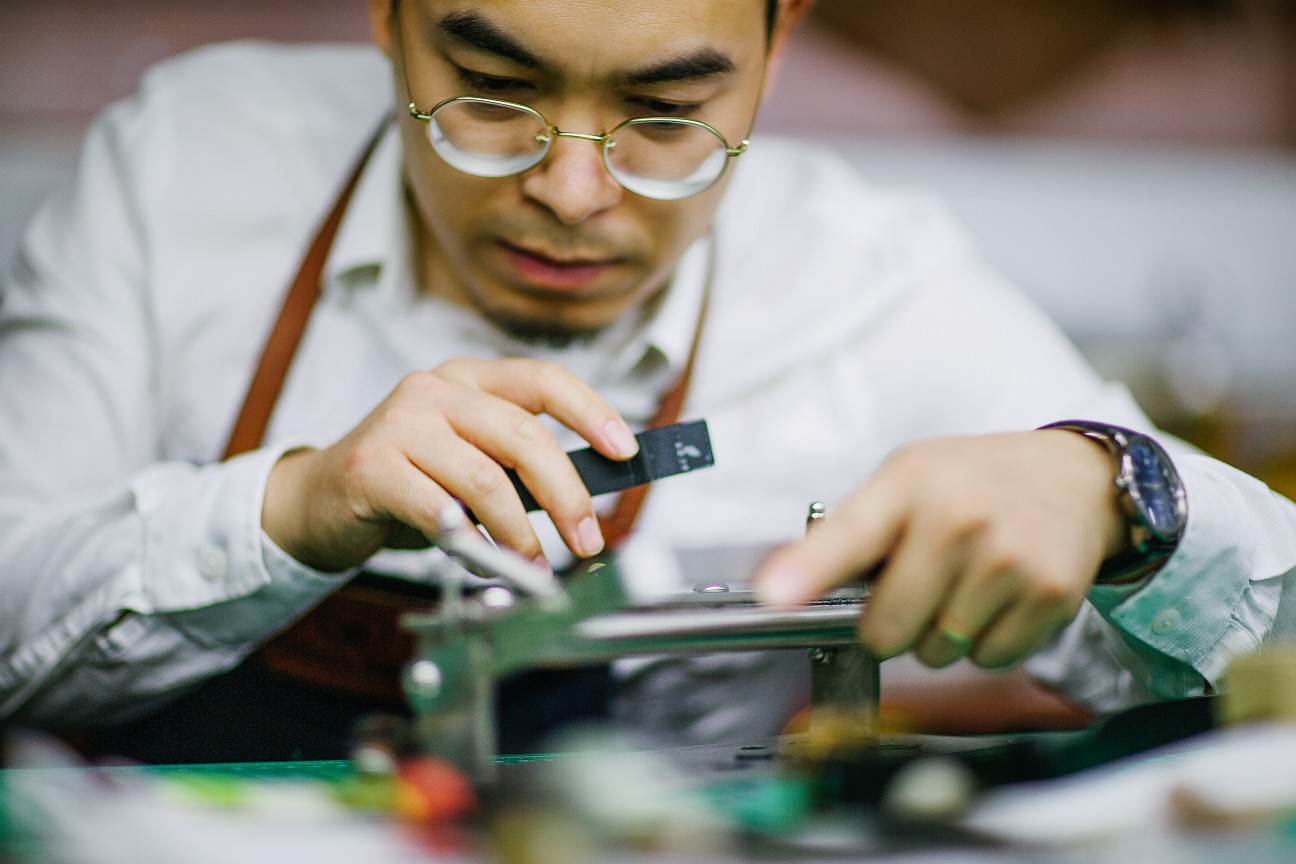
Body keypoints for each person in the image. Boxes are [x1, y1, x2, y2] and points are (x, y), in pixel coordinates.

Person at [1, 0, 1294, 762]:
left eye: (668, 115)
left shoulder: (873, 287)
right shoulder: (188, 163)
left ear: (779, 40)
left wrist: (1122, 498)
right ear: (390, 19)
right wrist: (292, 508)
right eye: (493, 92)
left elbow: (1268, 634)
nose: (573, 194)